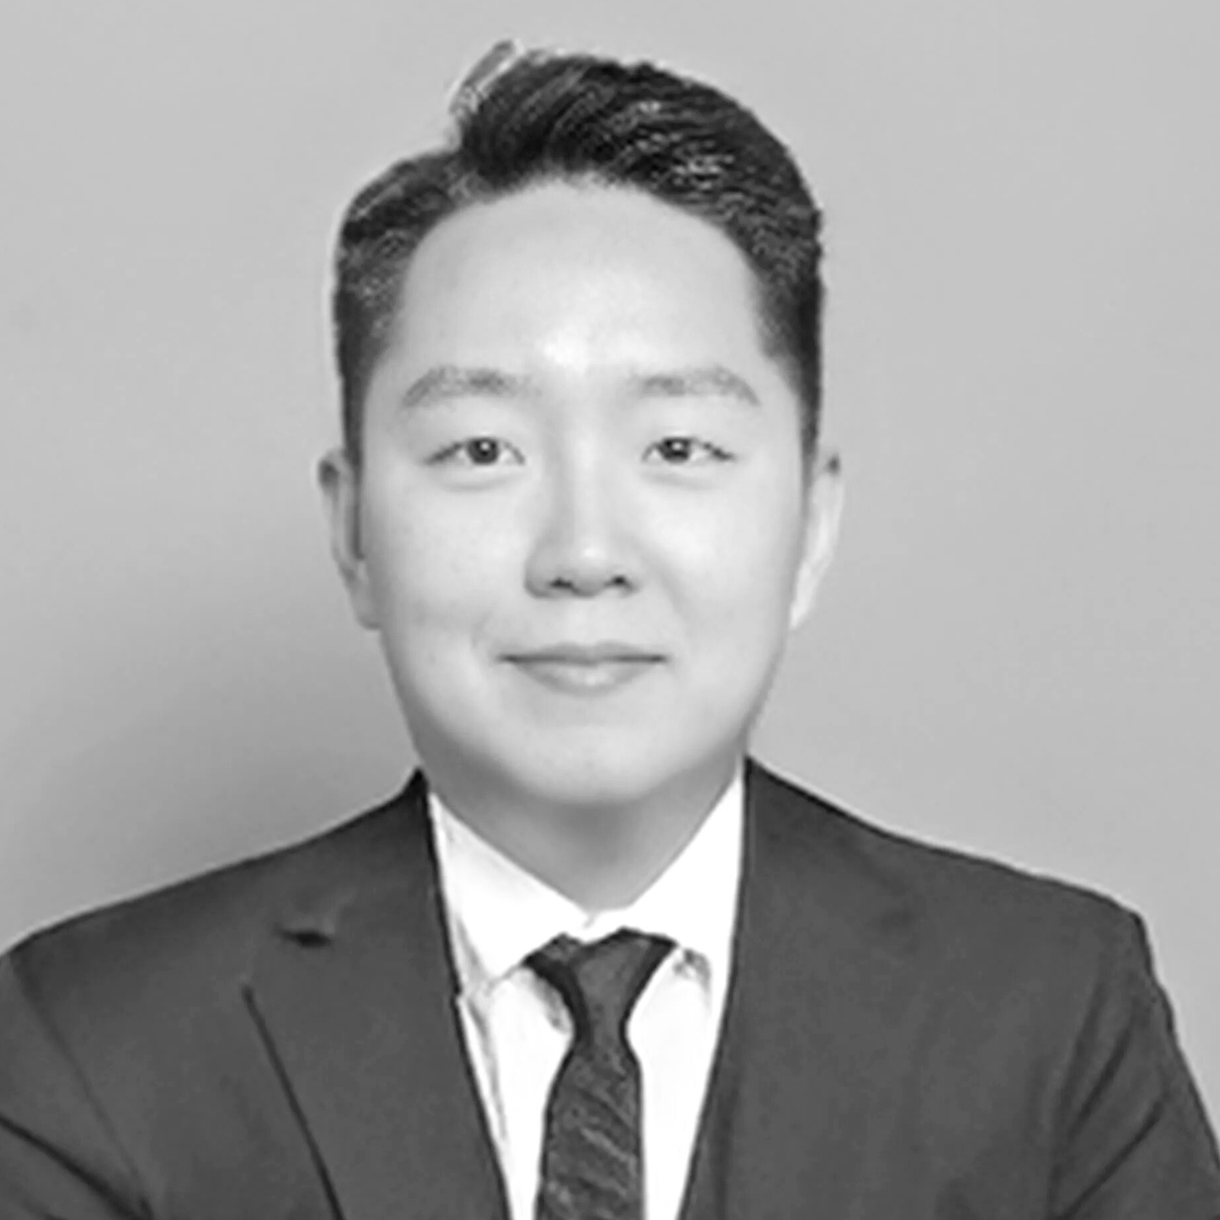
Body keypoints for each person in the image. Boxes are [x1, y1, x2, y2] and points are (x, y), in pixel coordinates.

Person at [1, 40, 1217, 1220]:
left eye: (677, 448)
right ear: (355, 527)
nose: (583, 552)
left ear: (808, 521)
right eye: (482, 449)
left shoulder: (1048, 1012)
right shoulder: (89, 1044)